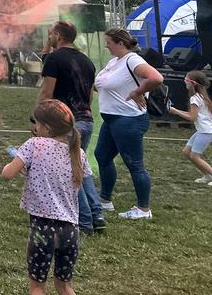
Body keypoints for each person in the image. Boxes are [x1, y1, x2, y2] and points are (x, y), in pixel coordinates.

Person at [1, 100, 89, 295]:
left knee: (37, 286)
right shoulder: (78, 153)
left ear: (47, 128)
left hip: (42, 229)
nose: (34, 127)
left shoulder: (34, 145)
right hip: (71, 231)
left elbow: (7, 174)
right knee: (65, 286)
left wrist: (17, 165)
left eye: (37, 124)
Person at [38, 20, 105, 233]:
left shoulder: (55, 60)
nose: (48, 37)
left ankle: (84, 221)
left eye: (50, 34)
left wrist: (37, 119)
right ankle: (97, 214)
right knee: (80, 168)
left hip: (64, 122)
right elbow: (90, 93)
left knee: (69, 172)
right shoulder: (86, 61)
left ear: (58, 35)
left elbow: (47, 93)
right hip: (85, 118)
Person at [94, 28, 163, 220]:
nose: (106, 45)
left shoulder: (133, 60)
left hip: (128, 120)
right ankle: (105, 200)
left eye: (108, 42)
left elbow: (156, 78)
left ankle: (143, 209)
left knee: (134, 164)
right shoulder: (114, 62)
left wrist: (138, 92)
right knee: (102, 156)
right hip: (111, 118)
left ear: (120, 43)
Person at [166, 70, 212, 184]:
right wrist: (176, 111)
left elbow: (192, 117)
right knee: (187, 152)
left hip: (205, 131)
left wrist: (176, 111)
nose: (184, 82)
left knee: (195, 156)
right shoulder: (202, 96)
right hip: (202, 130)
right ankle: (207, 175)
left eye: (186, 80)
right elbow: (194, 116)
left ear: (192, 83)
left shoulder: (195, 99)